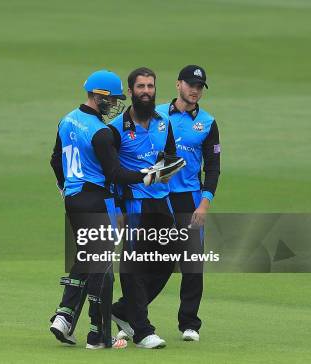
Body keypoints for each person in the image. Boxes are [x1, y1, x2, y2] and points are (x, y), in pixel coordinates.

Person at [49, 70, 157, 350]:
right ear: (99, 97)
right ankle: (98, 335)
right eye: (113, 99)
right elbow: (116, 173)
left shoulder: (67, 119)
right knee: (103, 268)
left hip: (74, 199)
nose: (116, 105)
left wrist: (65, 187)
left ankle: (64, 317)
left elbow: (54, 160)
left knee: (86, 258)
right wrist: (146, 175)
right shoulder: (101, 132)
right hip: (98, 201)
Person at [108, 67, 178, 349]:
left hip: (161, 200)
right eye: (141, 87)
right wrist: (117, 210)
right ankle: (142, 329)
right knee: (134, 263)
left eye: (150, 86)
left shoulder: (164, 122)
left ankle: (124, 310)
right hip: (133, 202)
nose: (147, 91)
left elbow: (171, 157)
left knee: (168, 261)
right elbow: (110, 171)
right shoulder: (115, 128)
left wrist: (164, 170)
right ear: (130, 91)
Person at [155, 65, 221, 342]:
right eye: (191, 84)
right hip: (156, 196)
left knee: (192, 263)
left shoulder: (207, 122)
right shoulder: (156, 113)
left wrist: (204, 203)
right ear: (178, 84)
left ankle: (189, 323)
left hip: (189, 198)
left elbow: (213, 167)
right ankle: (132, 315)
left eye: (200, 87)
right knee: (152, 260)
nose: (195, 90)